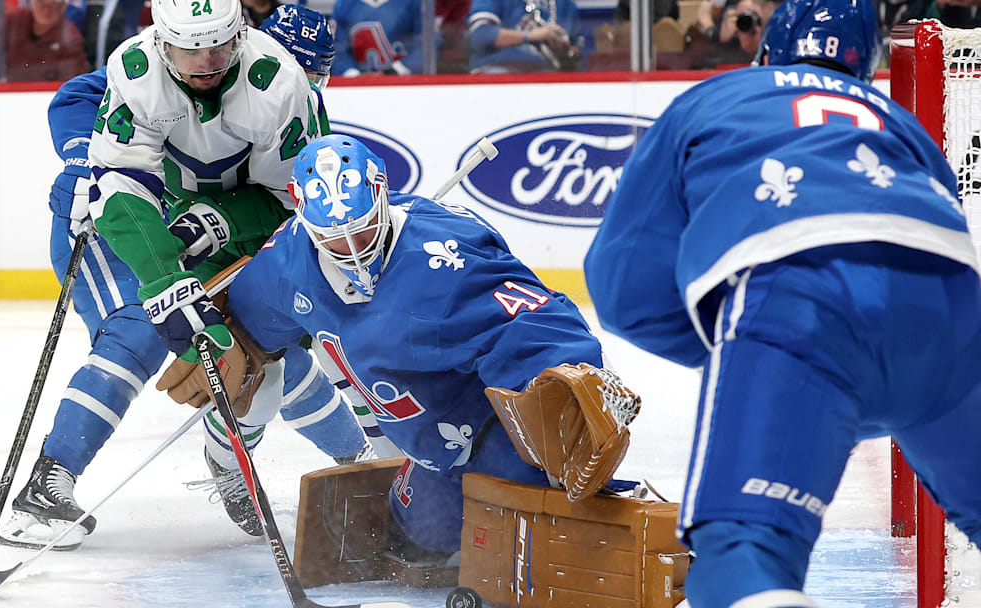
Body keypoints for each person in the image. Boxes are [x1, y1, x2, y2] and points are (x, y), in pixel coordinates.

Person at [583, 0, 981, 605]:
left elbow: (620, 289)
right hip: (953, 305)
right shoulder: (900, 125)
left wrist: (753, 359)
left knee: (741, 557)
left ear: (768, 50)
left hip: (799, 296)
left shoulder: (712, 98)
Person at [0, 2, 368, 551]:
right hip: (115, 225)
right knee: (139, 329)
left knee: (262, 351)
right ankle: (49, 483)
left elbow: (285, 203)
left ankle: (336, 461)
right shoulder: (151, 66)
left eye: (317, 76)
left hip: (209, 235)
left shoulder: (280, 90)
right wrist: (81, 161)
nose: (206, 60)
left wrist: (224, 224)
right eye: (301, 70)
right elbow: (81, 107)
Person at [205, 133, 634, 557]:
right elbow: (246, 321)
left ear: (381, 195)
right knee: (418, 545)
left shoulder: (448, 255)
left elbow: (535, 322)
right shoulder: (287, 260)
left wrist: (577, 377)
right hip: (429, 454)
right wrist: (222, 340)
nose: (353, 249)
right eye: (334, 237)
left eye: (363, 228)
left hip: (499, 430)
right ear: (303, 219)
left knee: (533, 544)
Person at [0, 0, 89, 82]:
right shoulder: (12, 21)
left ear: (63, 7)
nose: (46, 10)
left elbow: (71, 85)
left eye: (53, 5)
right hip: (3, 96)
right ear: (31, 2)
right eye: (41, 3)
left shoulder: (70, 37)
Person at [467, 0, 580, 73]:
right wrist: (531, 35)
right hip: (496, 74)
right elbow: (480, 36)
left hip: (547, 77)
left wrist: (565, 50)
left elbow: (579, 56)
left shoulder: (566, 4)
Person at [331, 0, 431, 76]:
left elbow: (428, 44)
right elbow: (336, 48)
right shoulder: (344, 4)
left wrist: (395, 71)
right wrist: (354, 75)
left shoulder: (412, 3)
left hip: (405, 84)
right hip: (358, 85)